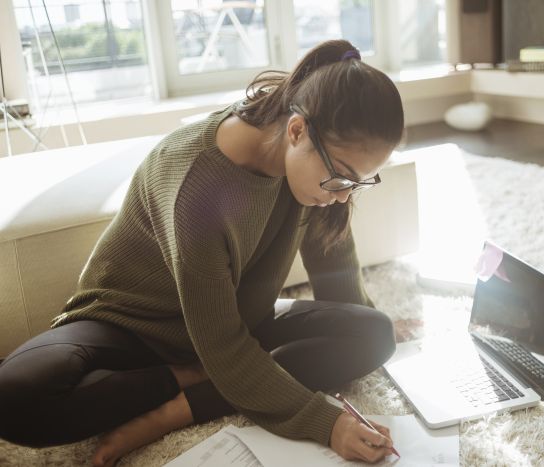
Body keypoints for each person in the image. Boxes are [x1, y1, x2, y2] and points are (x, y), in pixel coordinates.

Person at [0, 39, 404, 466]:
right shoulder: (198, 184)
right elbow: (224, 346)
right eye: (343, 178)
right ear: (297, 131)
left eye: (360, 182)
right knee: (14, 396)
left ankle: (186, 400)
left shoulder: (313, 164)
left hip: (237, 323)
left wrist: (359, 319)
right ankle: (189, 388)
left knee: (376, 333)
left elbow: (333, 261)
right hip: (132, 328)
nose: (344, 196)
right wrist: (327, 423)